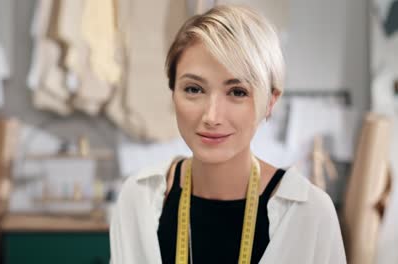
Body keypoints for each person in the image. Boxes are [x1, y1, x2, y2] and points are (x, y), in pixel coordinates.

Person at [110, 5, 346, 264]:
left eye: (237, 92)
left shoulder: (311, 214)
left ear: (270, 101)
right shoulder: (139, 199)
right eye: (193, 89)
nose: (212, 116)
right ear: (173, 92)